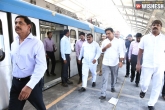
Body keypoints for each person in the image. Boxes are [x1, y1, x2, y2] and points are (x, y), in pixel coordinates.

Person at [9, 16, 47, 110]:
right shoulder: (14, 43)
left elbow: (41, 66)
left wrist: (29, 86)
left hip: (31, 82)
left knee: (40, 107)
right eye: (16, 23)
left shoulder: (36, 43)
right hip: (15, 83)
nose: (17, 25)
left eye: (20, 23)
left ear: (29, 26)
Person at [136, 20, 165, 110]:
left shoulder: (164, 38)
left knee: (157, 84)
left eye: (157, 25)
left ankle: (151, 103)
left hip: (160, 65)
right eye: (153, 25)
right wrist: (138, 63)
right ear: (151, 27)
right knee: (144, 83)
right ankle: (144, 90)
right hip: (147, 64)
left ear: (161, 27)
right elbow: (140, 50)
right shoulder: (145, 38)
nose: (155, 26)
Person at [99, 28, 124, 100]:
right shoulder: (104, 42)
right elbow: (101, 51)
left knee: (114, 76)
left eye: (109, 33)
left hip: (114, 63)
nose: (107, 35)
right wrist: (106, 47)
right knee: (104, 78)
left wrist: (121, 61)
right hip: (105, 62)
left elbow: (121, 52)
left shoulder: (118, 42)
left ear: (113, 33)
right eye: (106, 34)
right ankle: (103, 94)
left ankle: (112, 86)